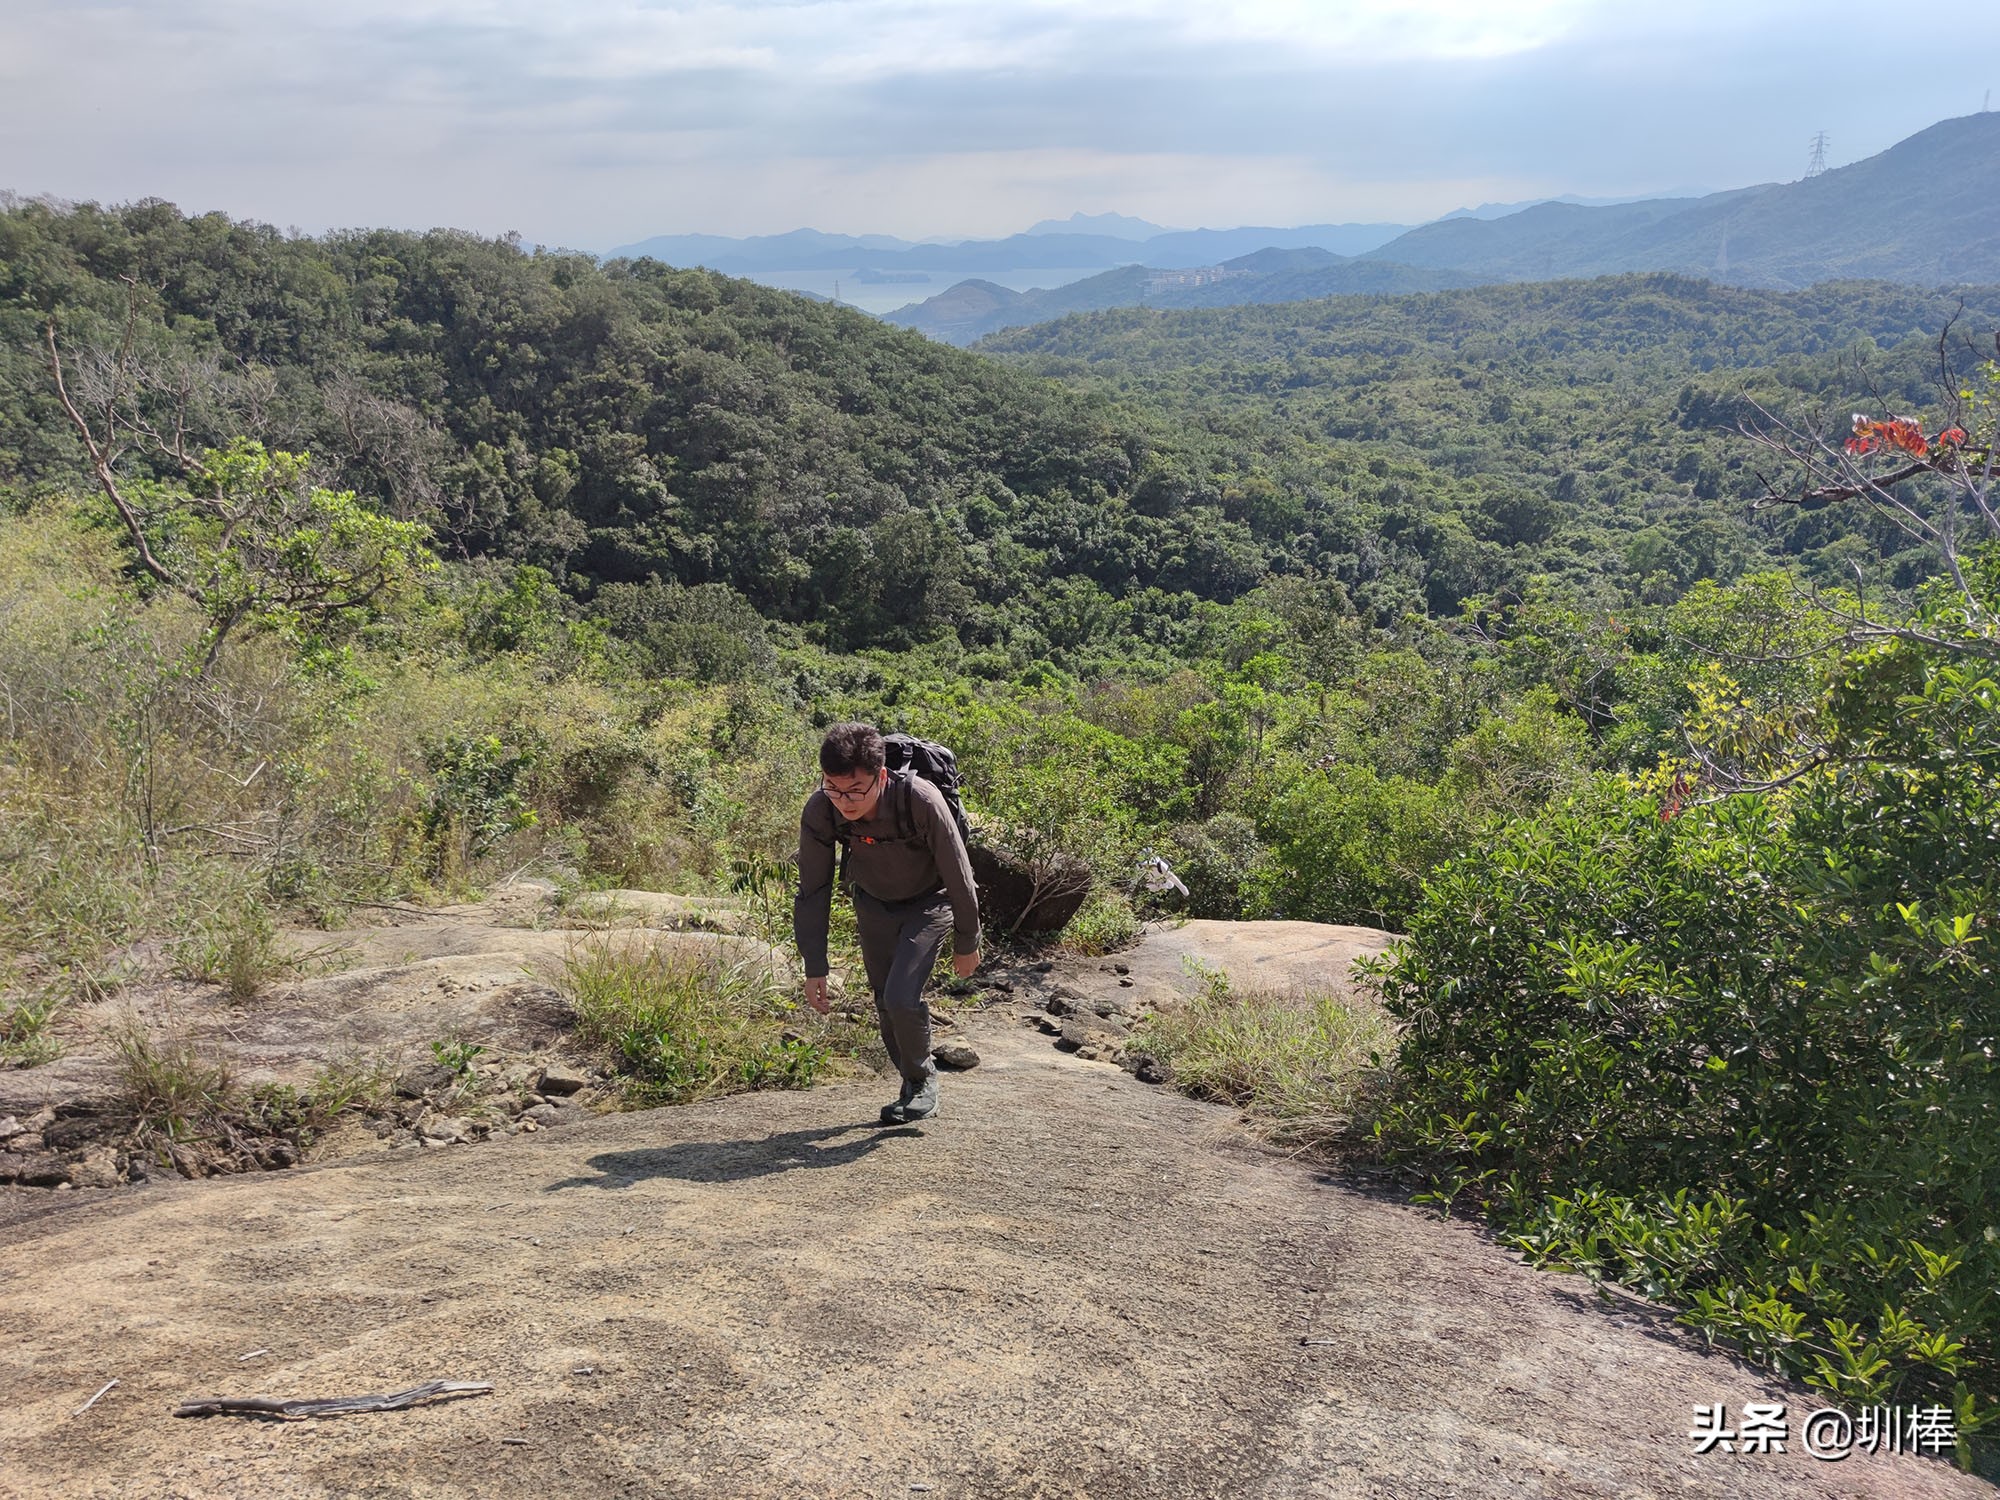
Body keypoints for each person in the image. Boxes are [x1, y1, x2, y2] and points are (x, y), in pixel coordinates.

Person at [794, 722, 980, 1124]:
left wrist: (967, 939)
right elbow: (813, 889)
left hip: (930, 903)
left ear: (881, 776)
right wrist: (815, 966)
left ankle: (923, 1078)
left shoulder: (920, 799)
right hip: (873, 903)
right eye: (833, 787)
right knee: (883, 1001)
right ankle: (913, 1082)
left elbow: (959, 873)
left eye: (856, 790)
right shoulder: (822, 808)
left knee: (901, 996)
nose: (845, 801)